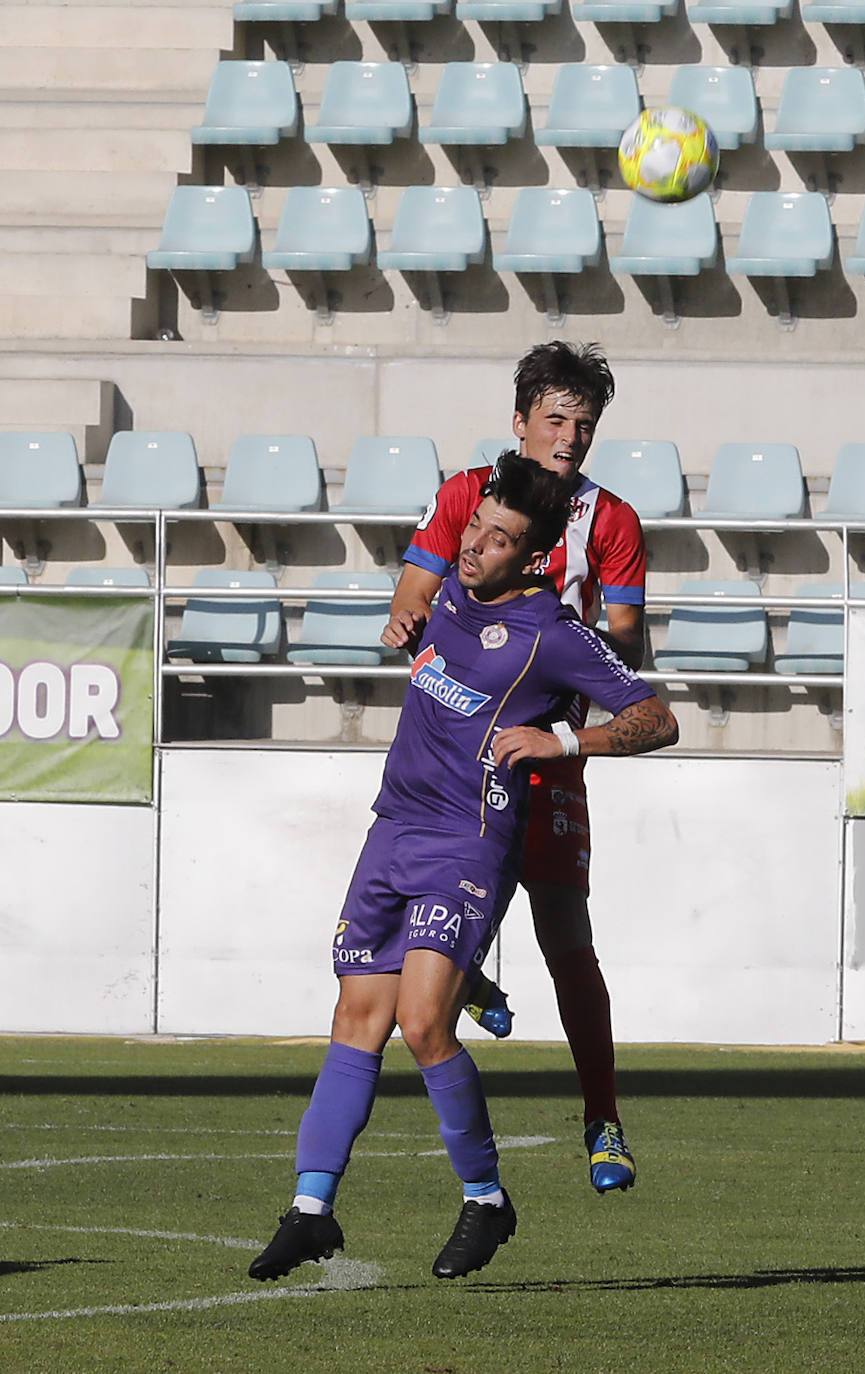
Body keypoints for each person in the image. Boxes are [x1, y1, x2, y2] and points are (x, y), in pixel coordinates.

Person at [248, 455, 678, 1284]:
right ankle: (310, 1210)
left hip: (468, 841)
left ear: (533, 557)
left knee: (421, 1023)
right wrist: (400, 624)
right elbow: (416, 600)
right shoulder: (451, 588)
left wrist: (563, 740)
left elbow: (657, 719)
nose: (476, 544)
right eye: (478, 525)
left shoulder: (551, 635)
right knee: (354, 1019)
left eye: (500, 538)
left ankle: (486, 1200)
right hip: (393, 828)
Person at [382, 341, 649, 1194]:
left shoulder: (610, 520)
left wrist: (558, 642)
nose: (571, 438)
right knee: (438, 902)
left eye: (585, 423)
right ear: (521, 422)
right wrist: (410, 624)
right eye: (557, 419)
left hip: (547, 748)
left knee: (568, 934)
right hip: (457, 745)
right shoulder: (466, 495)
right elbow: (412, 595)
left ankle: (603, 1120)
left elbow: (630, 641)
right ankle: (468, 983)